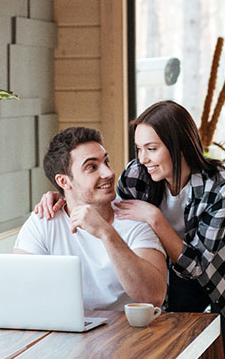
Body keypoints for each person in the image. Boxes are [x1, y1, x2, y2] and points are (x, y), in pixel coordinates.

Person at [35, 101, 225, 359]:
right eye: (139, 149)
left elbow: (198, 266)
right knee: (177, 347)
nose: (143, 159)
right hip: (177, 271)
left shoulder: (219, 187)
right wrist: (63, 194)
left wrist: (156, 219)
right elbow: (107, 206)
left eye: (152, 149)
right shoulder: (138, 174)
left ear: (178, 146)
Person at [14, 126, 167, 310]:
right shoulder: (44, 221)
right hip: (66, 333)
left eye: (106, 162)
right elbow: (18, 291)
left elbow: (154, 297)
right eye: (92, 167)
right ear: (64, 181)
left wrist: (106, 233)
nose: (109, 173)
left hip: (129, 334)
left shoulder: (134, 216)